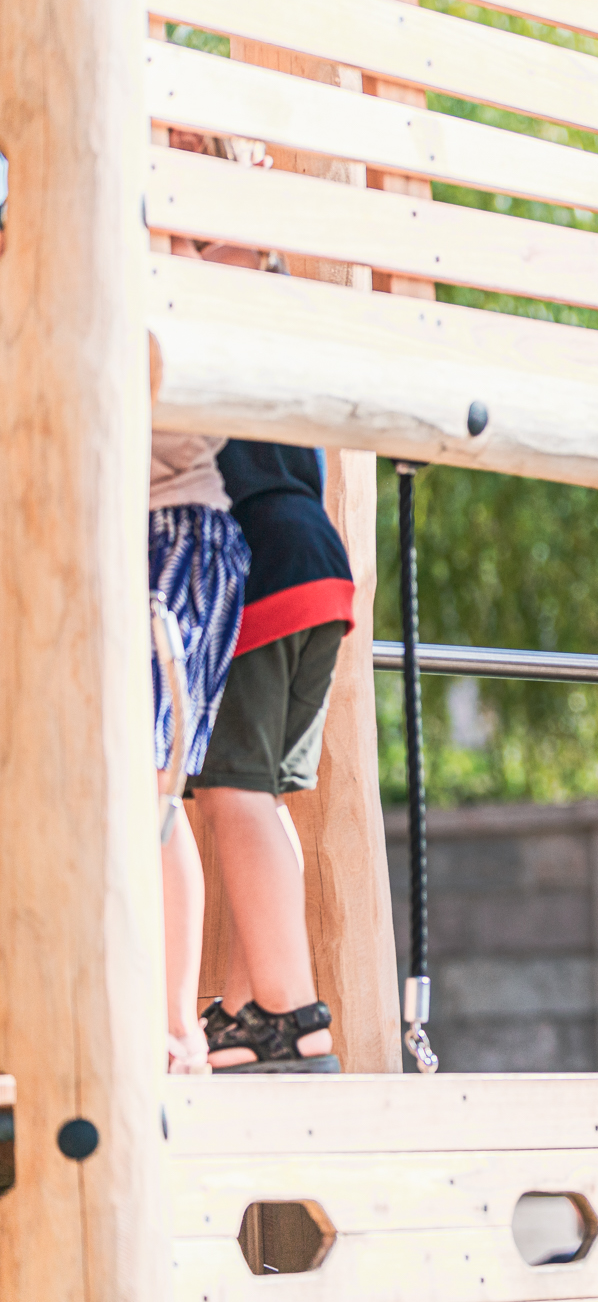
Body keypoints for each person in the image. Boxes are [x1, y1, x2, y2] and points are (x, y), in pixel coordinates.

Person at [188, 440, 355, 1072]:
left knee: (231, 790)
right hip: (321, 560)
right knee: (262, 793)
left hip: (261, 558)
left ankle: (291, 1015)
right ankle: (249, 1008)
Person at [150, 431, 250, 1074]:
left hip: (169, 528)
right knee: (151, 786)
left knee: (148, 786)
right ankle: (173, 1023)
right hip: (185, 531)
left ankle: (178, 1027)